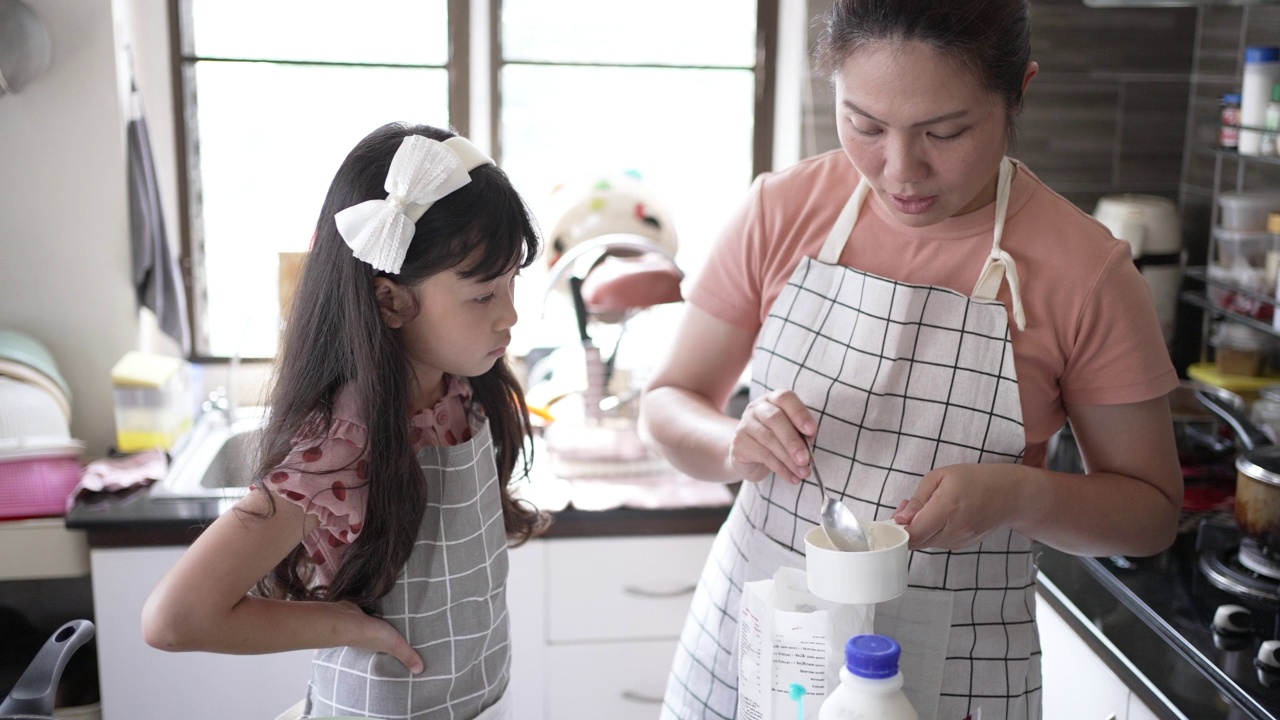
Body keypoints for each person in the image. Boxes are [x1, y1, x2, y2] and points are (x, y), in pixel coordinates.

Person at [638, 2, 1182, 719]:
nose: (900, 171)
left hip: (963, 679)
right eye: (864, 124)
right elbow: (668, 402)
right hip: (758, 662)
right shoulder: (782, 209)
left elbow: (1151, 513)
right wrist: (731, 441)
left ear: (1018, 90)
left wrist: (1023, 496)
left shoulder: (1087, 272)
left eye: (944, 131)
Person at [142, 122, 547, 719]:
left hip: (478, 702)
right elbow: (175, 618)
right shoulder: (342, 446)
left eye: (513, 281)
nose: (510, 315)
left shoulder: (464, 391)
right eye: (484, 295)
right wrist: (347, 626)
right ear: (390, 301)